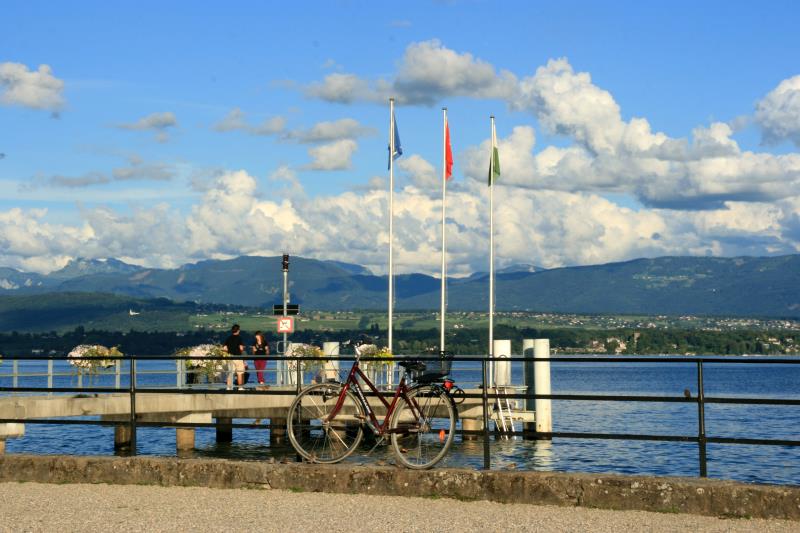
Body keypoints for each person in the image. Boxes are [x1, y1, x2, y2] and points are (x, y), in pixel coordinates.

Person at [223, 324, 246, 390]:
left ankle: (228, 387)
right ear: (238, 330)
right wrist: (243, 348)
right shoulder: (239, 338)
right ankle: (240, 387)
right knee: (239, 372)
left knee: (230, 373)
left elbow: (225, 348)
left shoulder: (228, 338)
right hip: (238, 357)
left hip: (230, 357)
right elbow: (241, 348)